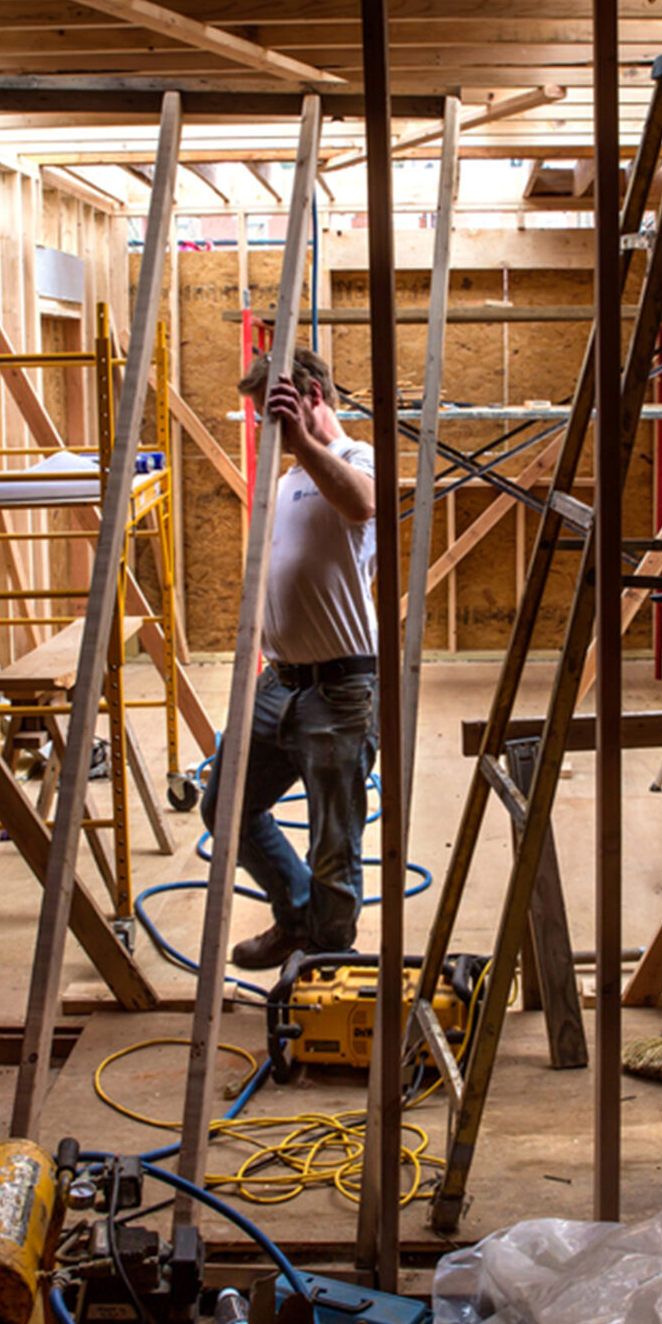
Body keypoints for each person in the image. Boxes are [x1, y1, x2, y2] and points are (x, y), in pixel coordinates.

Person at [202, 346, 380, 970]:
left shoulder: (358, 458)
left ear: (310, 397)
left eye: (270, 416)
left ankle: (326, 963)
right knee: (225, 803)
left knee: (335, 843)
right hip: (278, 684)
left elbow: (361, 504)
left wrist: (303, 440)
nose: (265, 432)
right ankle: (298, 918)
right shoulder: (284, 480)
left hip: (339, 687)